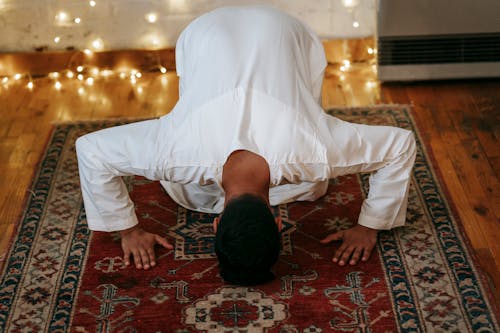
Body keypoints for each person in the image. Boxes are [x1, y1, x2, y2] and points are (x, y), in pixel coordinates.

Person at [76, 6, 416, 285]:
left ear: (279, 222)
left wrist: (128, 230)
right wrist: (369, 224)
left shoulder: (315, 152)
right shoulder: (175, 153)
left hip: (267, 31)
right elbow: (90, 149)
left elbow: (90, 149)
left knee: (306, 146)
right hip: (221, 32)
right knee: (311, 184)